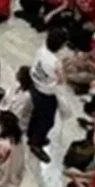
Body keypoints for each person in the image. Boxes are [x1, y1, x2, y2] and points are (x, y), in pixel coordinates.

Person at [27, 27, 67, 163]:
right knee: (47, 121)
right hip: (46, 93)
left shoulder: (42, 49)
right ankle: (36, 144)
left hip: (34, 85)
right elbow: (62, 81)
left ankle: (31, 134)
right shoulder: (56, 63)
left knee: (36, 113)